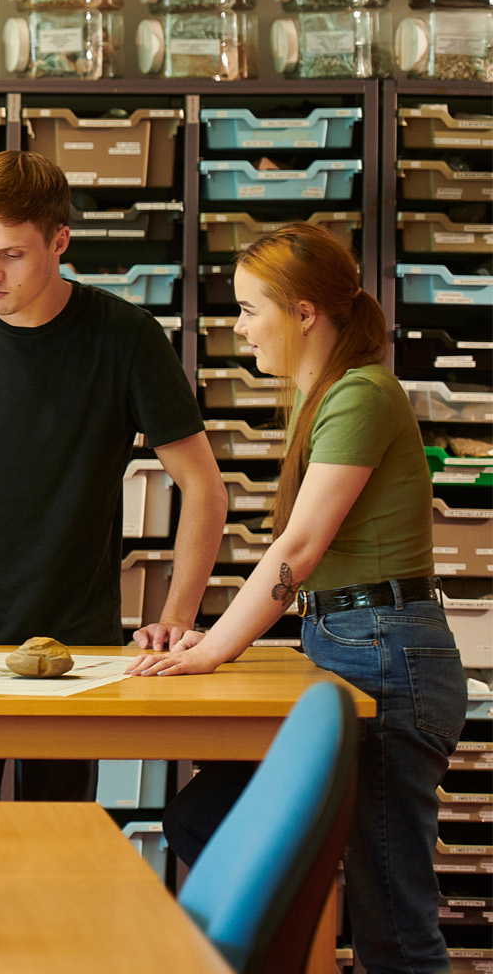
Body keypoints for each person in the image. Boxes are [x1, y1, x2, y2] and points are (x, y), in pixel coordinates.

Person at [130, 223, 466, 974]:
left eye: (251, 309)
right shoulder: (326, 397)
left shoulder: (360, 394)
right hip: (354, 642)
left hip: (388, 655)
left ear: (305, 312)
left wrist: (214, 648)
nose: (239, 327)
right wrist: (206, 642)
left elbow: (299, 550)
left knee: (397, 929)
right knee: (202, 815)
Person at [0, 150, 228, 801]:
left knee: (57, 844)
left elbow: (202, 486)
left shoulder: (127, 337)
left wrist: (177, 619)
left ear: (60, 240)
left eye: (12, 254)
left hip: (76, 650)